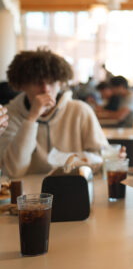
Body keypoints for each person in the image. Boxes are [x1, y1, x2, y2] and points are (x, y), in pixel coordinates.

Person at [0, 49, 108, 177]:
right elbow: (13, 171)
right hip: (28, 194)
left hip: (72, 187)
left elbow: (102, 159)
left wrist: (70, 163)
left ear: (60, 83)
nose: (45, 89)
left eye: (51, 82)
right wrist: (31, 119)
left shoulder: (80, 111)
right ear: (23, 85)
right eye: (37, 82)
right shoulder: (8, 115)